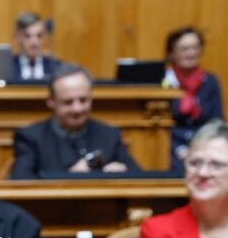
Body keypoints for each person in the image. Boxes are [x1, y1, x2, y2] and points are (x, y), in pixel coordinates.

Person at [9, 63, 140, 179]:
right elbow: (21, 183)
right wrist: (69, 177)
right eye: (68, 102)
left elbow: (141, 178)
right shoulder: (30, 138)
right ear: (51, 101)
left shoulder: (109, 135)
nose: (77, 109)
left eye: (83, 100)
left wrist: (124, 173)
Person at [162, 26, 224, 171]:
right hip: (170, 150)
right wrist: (179, 149)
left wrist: (201, 150)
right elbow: (158, 127)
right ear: (171, 53)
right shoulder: (163, 82)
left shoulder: (210, 82)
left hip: (205, 148)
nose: (191, 53)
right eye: (184, 49)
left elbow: (217, 122)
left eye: (195, 48)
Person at [9, 11, 62, 83]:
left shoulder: (55, 66)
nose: (34, 42)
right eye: (27, 36)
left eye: (39, 36)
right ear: (17, 37)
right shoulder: (8, 67)